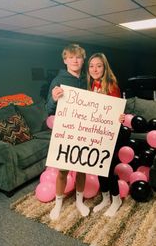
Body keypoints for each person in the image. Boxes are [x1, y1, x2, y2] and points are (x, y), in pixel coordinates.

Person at [46, 43, 90, 220]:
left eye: (78, 57)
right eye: (71, 57)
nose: (75, 60)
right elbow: (48, 108)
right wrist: (54, 100)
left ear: (83, 59)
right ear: (65, 60)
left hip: (86, 130)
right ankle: (58, 204)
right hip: (66, 131)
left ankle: (79, 201)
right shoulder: (57, 81)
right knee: (63, 170)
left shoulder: (87, 80)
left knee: (82, 169)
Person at [87, 53, 124, 217]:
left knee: (108, 168)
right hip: (94, 132)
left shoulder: (111, 85)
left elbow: (117, 110)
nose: (95, 69)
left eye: (99, 65)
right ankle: (106, 198)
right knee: (98, 166)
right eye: (91, 66)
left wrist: (120, 116)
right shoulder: (90, 85)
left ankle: (117, 200)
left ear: (105, 67)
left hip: (109, 133)